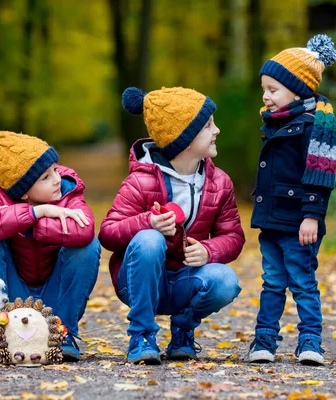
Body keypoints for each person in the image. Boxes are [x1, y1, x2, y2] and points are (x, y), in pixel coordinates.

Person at [99, 86, 245, 364]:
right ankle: (141, 335)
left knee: (225, 281)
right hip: (138, 283)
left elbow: (233, 236)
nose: (217, 131)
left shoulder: (219, 182)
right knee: (150, 239)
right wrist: (148, 222)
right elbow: (107, 233)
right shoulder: (141, 181)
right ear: (185, 139)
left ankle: (183, 329)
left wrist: (209, 250)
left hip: (185, 281)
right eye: (208, 126)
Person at [0, 128, 100, 363]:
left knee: (88, 246)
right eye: (45, 177)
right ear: (23, 192)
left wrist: (26, 224)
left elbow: (84, 229)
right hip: (11, 294)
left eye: (55, 169)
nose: (57, 178)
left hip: (55, 293)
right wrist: (37, 213)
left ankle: (63, 333)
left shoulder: (69, 191)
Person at [247, 34, 336, 366]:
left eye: (273, 90)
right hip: (273, 222)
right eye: (264, 89)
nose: (266, 96)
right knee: (272, 281)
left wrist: (312, 216)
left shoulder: (313, 126)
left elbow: (320, 176)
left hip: (300, 224)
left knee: (302, 281)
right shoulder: (277, 123)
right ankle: (264, 340)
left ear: (298, 89)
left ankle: (310, 341)